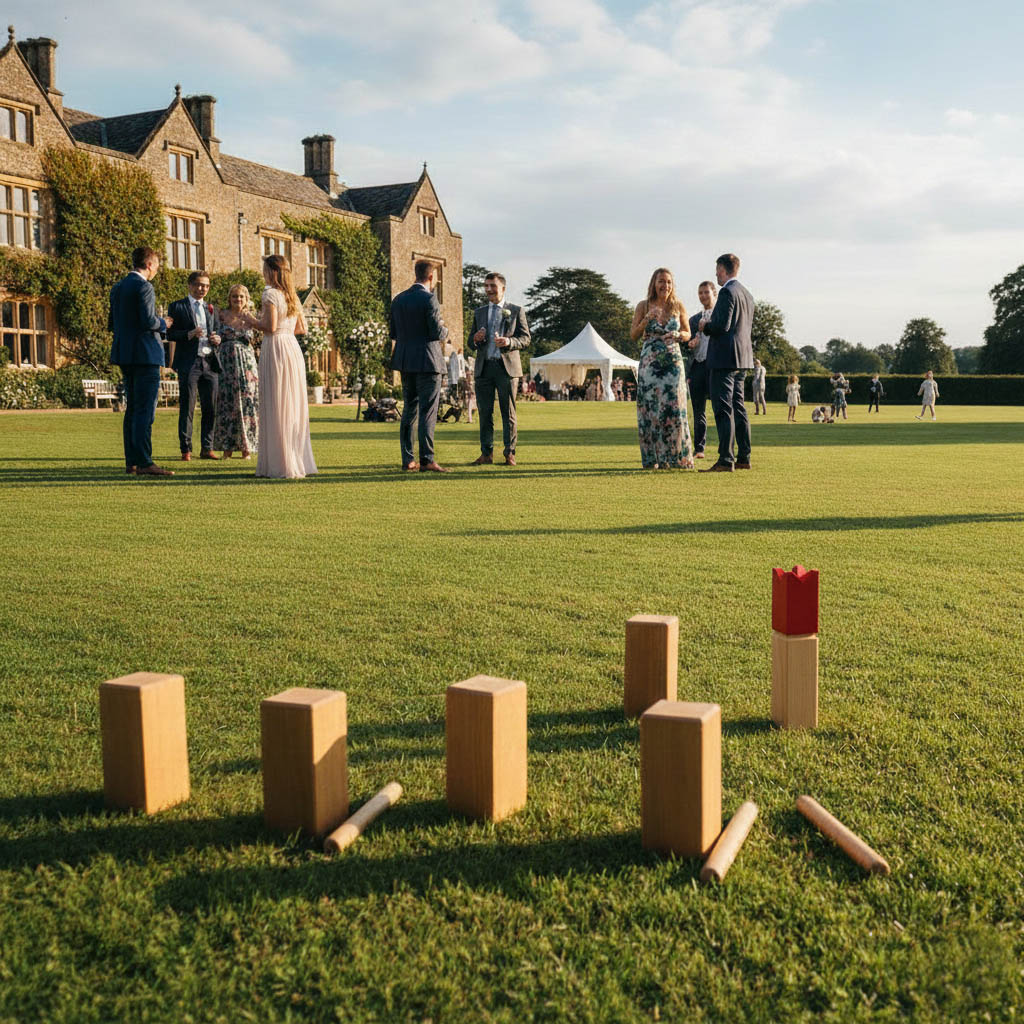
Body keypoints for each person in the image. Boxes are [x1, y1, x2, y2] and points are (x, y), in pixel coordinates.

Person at [222, 255, 316, 479]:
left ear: (273, 272)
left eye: (265, 269)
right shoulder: (291, 294)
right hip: (291, 348)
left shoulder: (270, 293)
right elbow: (300, 329)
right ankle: (296, 459)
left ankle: (279, 463)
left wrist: (250, 319)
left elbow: (270, 327)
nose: (263, 273)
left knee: (276, 402)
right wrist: (282, 328)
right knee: (291, 403)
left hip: (275, 348)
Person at [108, 246, 175, 477]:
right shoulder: (144, 286)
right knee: (145, 410)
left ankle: (132, 461)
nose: (156, 271)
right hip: (145, 355)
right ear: (149, 265)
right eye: (156, 266)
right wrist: (163, 323)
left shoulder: (117, 288)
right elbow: (148, 321)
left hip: (125, 354)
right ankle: (145, 462)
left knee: (133, 409)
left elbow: (112, 323)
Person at [630, 267, 693, 469]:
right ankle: (653, 459)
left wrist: (678, 336)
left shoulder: (678, 306)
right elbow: (633, 335)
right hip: (650, 364)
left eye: (668, 282)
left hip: (673, 364)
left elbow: (688, 333)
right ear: (654, 284)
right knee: (651, 409)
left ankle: (678, 458)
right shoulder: (643, 305)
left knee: (674, 409)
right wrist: (647, 319)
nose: (665, 285)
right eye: (661, 281)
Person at [389, 260, 449, 471]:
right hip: (428, 362)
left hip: (406, 361)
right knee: (428, 412)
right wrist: (445, 330)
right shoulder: (430, 299)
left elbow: (393, 333)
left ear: (415, 274)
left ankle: (408, 460)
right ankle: (427, 459)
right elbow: (436, 332)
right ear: (431, 277)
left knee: (409, 410)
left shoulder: (398, 299)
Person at [467, 271, 531, 466]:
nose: (488, 290)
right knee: (485, 413)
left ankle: (509, 453)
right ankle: (486, 454)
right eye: (486, 286)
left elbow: (526, 339)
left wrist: (509, 342)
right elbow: (471, 342)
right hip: (484, 368)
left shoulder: (516, 310)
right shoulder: (478, 312)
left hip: (507, 370)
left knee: (508, 413)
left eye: (492, 286)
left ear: (503, 288)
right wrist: (475, 340)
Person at [702, 253, 754, 471]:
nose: (716, 274)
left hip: (724, 358)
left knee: (723, 409)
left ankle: (725, 459)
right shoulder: (747, 294)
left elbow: (722, 326)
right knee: (739, 407)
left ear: (723, 269)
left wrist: (705, 325)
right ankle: (744, 457)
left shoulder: (726, 292)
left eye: (717, 270)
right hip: (742, 359)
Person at [168, 270, 221, 461]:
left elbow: (217, 331)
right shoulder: (177, 307)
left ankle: (207, 448)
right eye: (199, 285)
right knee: (187, 407)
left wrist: (218, 338)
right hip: (189, 363)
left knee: (210, 408)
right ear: (190, 285)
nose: (202, 289)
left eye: (206, 286)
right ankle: (186, 449)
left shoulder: (211, 308)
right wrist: (189, 334)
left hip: (209, 363)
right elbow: (170, 334)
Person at [212, 284, 259, 459]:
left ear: (246, 299)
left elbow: (263, 332)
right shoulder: (221, 315)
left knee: (247, 402)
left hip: (246, 364)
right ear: (229, 298)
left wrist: (252, 320)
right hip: (226, 362)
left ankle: (247, 447)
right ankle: (227, 447)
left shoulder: (250, 317)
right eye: (234, 296)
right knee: (227, 403)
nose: (237, 299)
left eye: (241, 297)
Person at [686, 280, 716, 459]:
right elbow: (685, 345)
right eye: (700, 293)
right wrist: (690, 344)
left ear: (714, 294)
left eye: (706, 292)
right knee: (698, 410)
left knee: (720, 409)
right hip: (697, 366)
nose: (703, 296)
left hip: (714, 366)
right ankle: (699, 448)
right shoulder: (693, 319)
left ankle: (725, 449)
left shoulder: (720, 316)